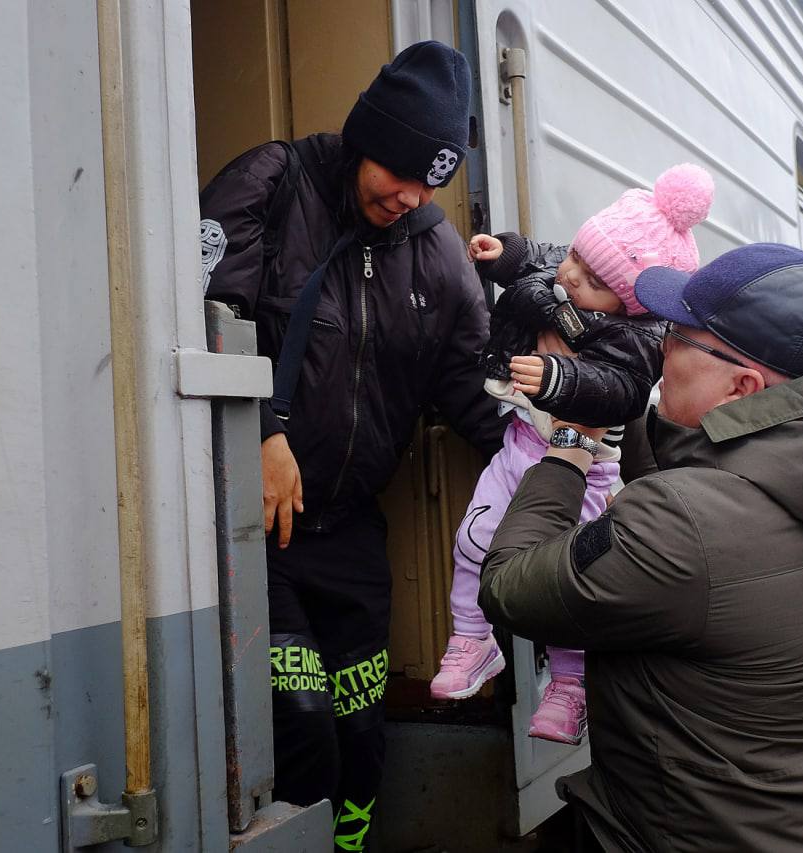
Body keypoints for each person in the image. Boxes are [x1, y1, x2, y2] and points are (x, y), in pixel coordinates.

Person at [478, 243, 803, 850]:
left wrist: (567, 446)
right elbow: (713, 469)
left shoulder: (682, 526)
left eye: (678, 339)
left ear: (742, 386)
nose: (657, 347)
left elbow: (509, 587)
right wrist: (613, 398)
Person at [198, 41, 506, 847]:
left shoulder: (437, 255)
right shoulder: (271, 185)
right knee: (300, 726)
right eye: (398, 172)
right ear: (367, 134)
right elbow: (199, 322)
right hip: (259, 533)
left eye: (428, 182)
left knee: (362, 732)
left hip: (353, 535)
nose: (408, 196)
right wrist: (262, 429)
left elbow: (472, 389)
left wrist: (564, 461)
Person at [429, 164, 714, 747]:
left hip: (587, 468)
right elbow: (538, 259)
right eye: (577, 257)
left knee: (566, 575)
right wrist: (504, 252)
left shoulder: (639, 337)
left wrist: (559, 376)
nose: (569, 273)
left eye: (588, 276)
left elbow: (622, 390)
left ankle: (570, 683)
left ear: (629, 302)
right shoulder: (578, 265)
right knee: (473, 539)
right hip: (519, 447)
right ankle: (470, 639)